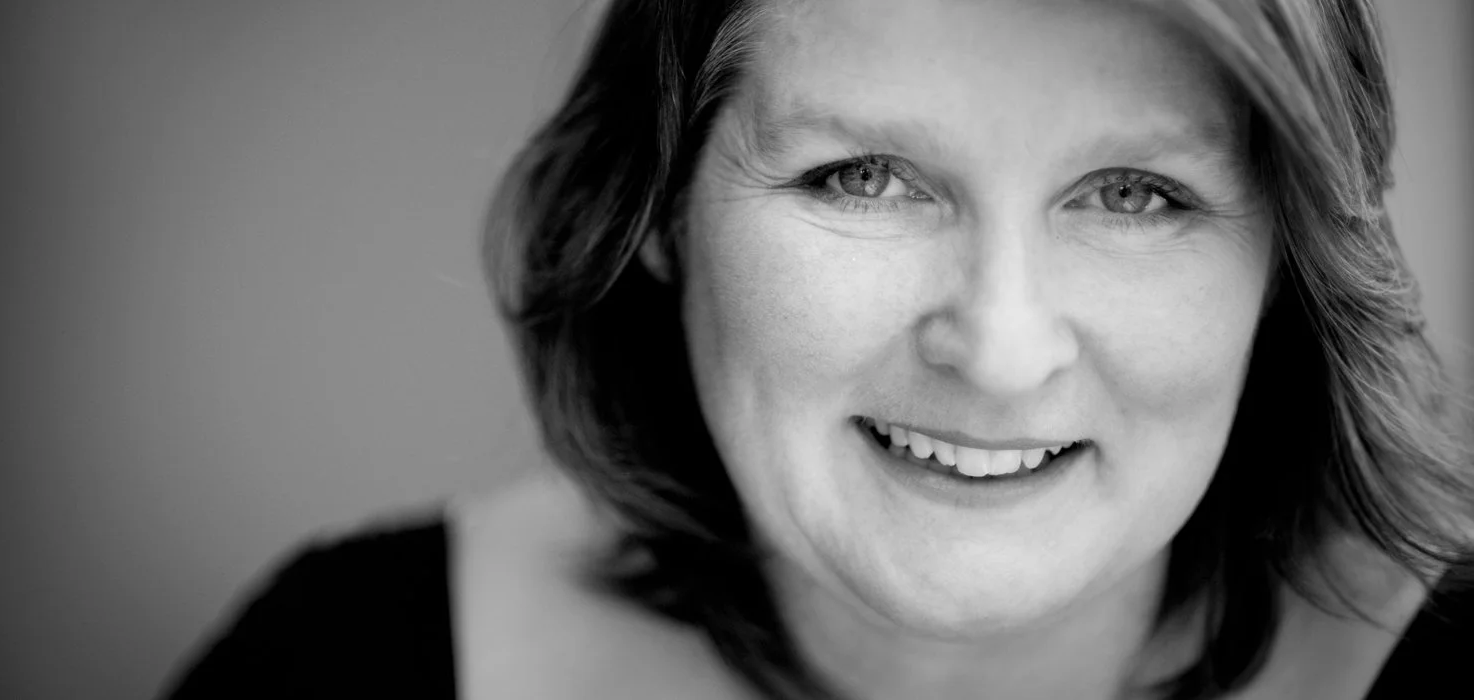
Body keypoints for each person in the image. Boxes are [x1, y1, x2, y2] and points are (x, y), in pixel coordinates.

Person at [161, 0, 1474, 698]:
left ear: (1284, 265)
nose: (1001, 351)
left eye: (1133, 194)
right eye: (864, 178)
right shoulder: (348, 660)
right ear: (660, 209)